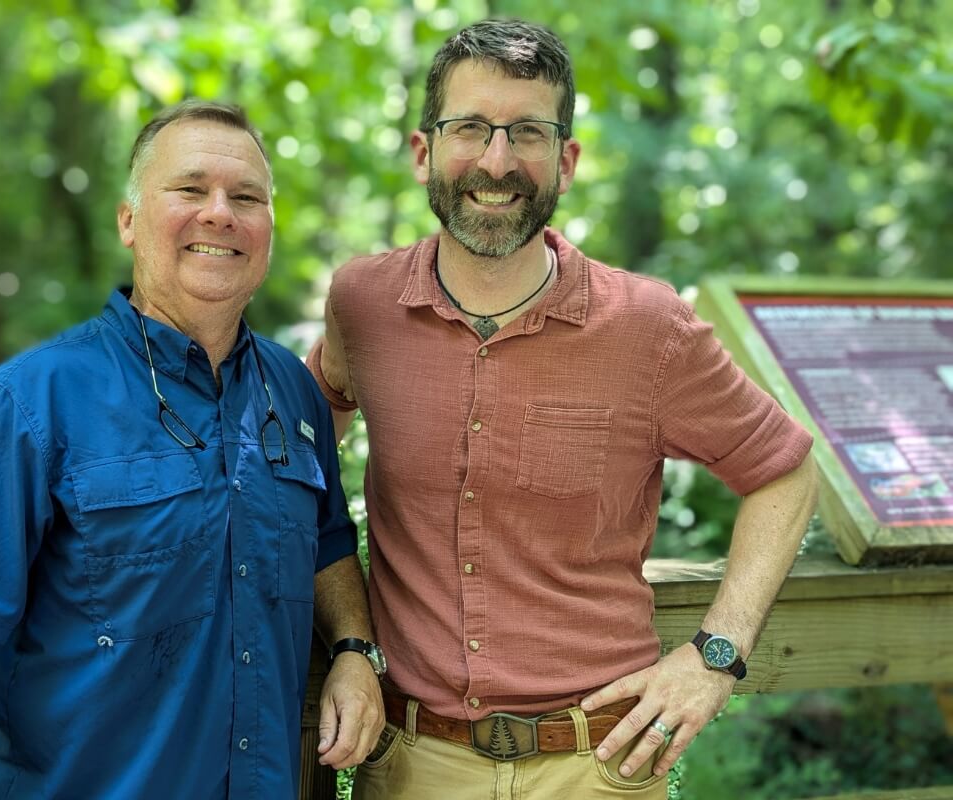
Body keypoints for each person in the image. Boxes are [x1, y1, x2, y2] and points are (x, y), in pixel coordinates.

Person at [307, 19, 818, 800]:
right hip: (411, 766)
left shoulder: (650, 327)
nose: (498, 161)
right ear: (423, 152)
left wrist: (717, 653)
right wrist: (348, 640)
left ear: (568, 161)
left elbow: (784, 473)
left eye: (529, 133)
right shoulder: (362, 305)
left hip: (599, 765)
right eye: (470, 128)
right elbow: (300, 468)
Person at [0, 100, 384, 799]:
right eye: (189, 189)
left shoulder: (291, 394)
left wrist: (356, 650)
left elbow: (328, 543)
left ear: (269, 228)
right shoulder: (31, 403)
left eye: (247, 197)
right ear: (128, 220)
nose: (220, 213)